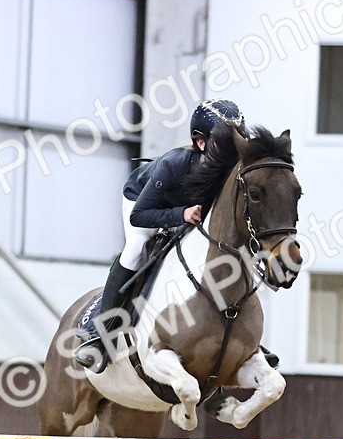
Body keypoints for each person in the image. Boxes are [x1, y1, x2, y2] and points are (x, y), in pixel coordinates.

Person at [74, 98, 247, 373]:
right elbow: (139, 216)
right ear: (201, 143)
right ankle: (100, 335)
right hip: (143, 202)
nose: (235, 150)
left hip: (185, 209)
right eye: (226, 143)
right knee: (135, 248)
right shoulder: (172, 165)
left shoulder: (230, 174)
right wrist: (180, 215)